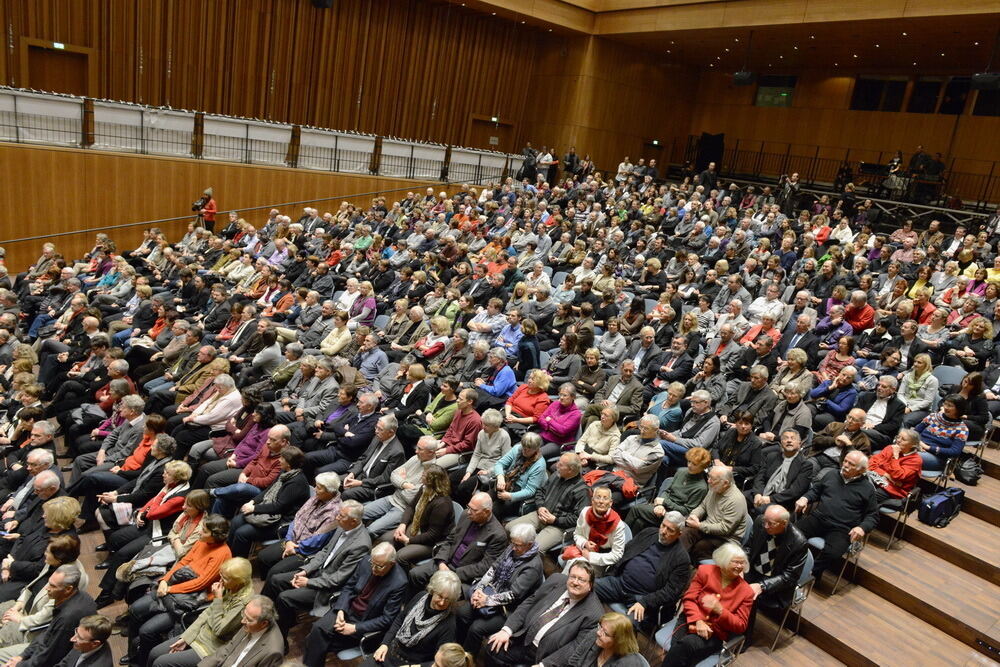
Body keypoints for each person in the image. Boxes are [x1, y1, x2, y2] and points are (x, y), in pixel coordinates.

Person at [263, 500, 370, 636]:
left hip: (326, 588)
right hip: (316, 573)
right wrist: (306, 570)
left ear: (354, 521)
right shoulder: (343, 526)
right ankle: (265, 615)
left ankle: (279, 639)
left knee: (284, 598)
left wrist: (308, 582)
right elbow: (325, 552)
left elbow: (337, 579)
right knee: (275, 580)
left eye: (341, 516)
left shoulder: (361, 545)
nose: (337, 518)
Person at [301, 543, 408, 667]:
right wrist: (341, 609)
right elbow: (349, 587)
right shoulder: (366, 562)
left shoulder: (399, 582)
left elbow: (387, 619)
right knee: (317, 630)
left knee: (314, 641)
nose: (373, 569)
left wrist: (355, 628)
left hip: (363, 621)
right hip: (347, 610)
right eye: (372, 563)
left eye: (379, 566)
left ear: (392, 564)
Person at [485, 561, 603, 666]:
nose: (575, 582)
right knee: (492, 647)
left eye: (581, 580)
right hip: (523, 636)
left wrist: (544, 665)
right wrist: (507, 630)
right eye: (573, 577)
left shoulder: (594, 614)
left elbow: (575, 647)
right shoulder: (556, 579)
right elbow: (530, 602)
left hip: (543, 655)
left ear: (590, 585)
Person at [146, 557, 254, 667]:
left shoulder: (243, 603)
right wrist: (186, 638)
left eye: (225, 578)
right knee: (154, 653)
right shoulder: (230, 587)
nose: (220, 581)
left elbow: (219, 630)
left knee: (159, 663)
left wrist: (217, 600)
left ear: (239, 582)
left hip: (210, 648)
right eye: (221, 576)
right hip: (199, 634)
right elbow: (205, 614)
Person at [661, 543, 754, 667]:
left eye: (742, 563)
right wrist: (698, 620)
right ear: (724, 561)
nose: (739, 566)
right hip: (689, 620)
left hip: (713, 633)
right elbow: (689, 598)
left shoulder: (746, 592)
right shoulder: (705, 571)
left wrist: (721, 610)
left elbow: (741, 626)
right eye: (735, 562)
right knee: (679, 651)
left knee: (683, 647)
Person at [595, 511, 690, 628]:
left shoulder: (682, 559)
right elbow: (625, 552)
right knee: (587, 587)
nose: (664, 531)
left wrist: (645, 602)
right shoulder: (648, 533)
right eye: (663, 525)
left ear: (679, 534)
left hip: (642, 598)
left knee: (625, 626)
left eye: (670, 530)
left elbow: (671, 592)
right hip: (619, 583)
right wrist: (610, 574)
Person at [794, 451, 878, 579]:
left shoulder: (868, 488)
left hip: (842, 528)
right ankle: (791, 567)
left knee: (833, 553)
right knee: (793, 534)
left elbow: (872, 516)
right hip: (819, 518)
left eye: (851, 464)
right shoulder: (832, 474)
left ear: (861, 470)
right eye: (845, 461)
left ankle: (810, 575)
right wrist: (805, 498)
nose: (845, 465)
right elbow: (815, 491)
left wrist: (862, 527)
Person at [0, 565, 96, 667]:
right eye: (49, 583)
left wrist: (20, 664)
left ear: (68, 589)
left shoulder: (67, 618)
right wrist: (23, 655)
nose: (47, 588)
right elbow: (47, 634)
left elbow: (49, 658)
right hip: (43, 646)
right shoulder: (82, 596)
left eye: (53, 586)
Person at [362, 569, 462, 667]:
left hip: (412, 664)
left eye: (447, 599)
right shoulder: (420, 597)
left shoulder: (449, 624)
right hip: (389, 651)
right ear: (433, 590)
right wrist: (384, 643)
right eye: (440, 596)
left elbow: (441, 661)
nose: (442, 603)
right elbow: (400, 620)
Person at [408, 492, 507, 589]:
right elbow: (450, 540)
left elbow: (484, 566)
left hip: (463, 574)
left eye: (474, 510)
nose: (469, 512)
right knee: (415, 574)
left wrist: (453, 573)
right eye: (469, 507)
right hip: (445, 562)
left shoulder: (497, 535)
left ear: (487, 512)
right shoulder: (466, 515)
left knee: (440, 591)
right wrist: (442, 562)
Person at [743, 505, 808, 641]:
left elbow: (789, 577)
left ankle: (744, 639)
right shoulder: (760, 522)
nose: (765, 526)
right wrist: (740, 566)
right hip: (754, 570)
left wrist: (762, 586)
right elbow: (748, 548)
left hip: (775, 582)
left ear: (784, 524)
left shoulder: (798, 542)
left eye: (770, 523)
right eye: (765, 521)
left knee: (749, 596)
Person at [625, 447, 710, 532]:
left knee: (635, 509)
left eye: (694, 464)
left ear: (702, 467)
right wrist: (660, 505)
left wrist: (664, 502)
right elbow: (667, 491)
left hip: (676, 515)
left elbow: (686, 511)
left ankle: (621, 536)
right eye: (689, 461)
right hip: (663, 506)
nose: (689, 465)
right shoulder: (681, 471)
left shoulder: (701, 487)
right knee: (639, 522)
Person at [680, 465, 749, 561]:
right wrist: (694, 515)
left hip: (725, 538)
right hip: (708, 528)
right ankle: (675, 562)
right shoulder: (715, 487)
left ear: (725, 483)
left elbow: (724, 529)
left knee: (700, 547)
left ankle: (690, 570)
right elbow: (702, 506)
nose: (708, 481)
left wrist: (699, 525)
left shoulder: (736, 500)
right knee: (684, 533)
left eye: (712, 479)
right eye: (709, 477)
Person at [196, 596, 284, 667]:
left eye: (249, 619)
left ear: (264, 624)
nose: (242, 621)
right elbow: (228, 649)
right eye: (244, 614)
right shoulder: (251, 621)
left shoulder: (273, 652)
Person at [747, 429, 815, 514]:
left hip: (783, 500)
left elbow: (795, 491)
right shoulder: (771, 456)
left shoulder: (805, 465)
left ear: (799, 443)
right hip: (763, 492)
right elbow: (760, 477)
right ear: (781, 442)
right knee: (740, 499)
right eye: (785, 438)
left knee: (761, 511)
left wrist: (770, 499)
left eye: (793, 438)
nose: (789, 440)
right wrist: (757, 493)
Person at [543, 611, 646, 667]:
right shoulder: (594, 635)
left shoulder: (627, 663)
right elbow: (574, 660)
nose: (598, 632)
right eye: (600, 626)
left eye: (605, 633)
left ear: (618, 640)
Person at [867, 429, 923, 505]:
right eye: (898, 437)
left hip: (893, 489)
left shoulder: (915, 460)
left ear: (913, 445)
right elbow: (871, 464)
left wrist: (895, 457)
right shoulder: (890, 448)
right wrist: (886, 475)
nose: (898, 440)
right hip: (878, 478)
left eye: (903, 439)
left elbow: (898, 476)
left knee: (867, 496)